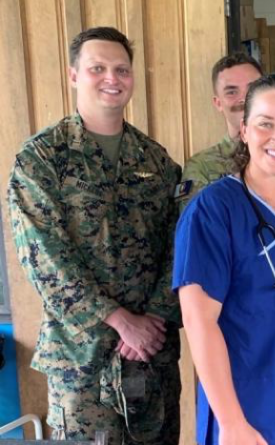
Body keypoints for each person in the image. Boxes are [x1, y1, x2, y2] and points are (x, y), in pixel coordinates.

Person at [7, 27, 181, 443]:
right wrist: (119, 321)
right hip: (81, 363)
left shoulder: (155, 160)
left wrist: (154, 318)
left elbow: (182, 243)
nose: (112, 78)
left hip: (151, 360)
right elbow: (42, 256)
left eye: (121, 69)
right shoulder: (42, 158)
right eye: (97, 68)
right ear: (73, 75)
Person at [175, 74, 275, 445]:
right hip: (248, 419)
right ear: (244, 130)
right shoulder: (213, 211)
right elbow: (199, 321)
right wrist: (231, 423)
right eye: (265, 124)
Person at [178, 53, 275, 212]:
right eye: (231, 92)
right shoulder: (202, 166)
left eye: (252, 88)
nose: (244, 98)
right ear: (218, 103)